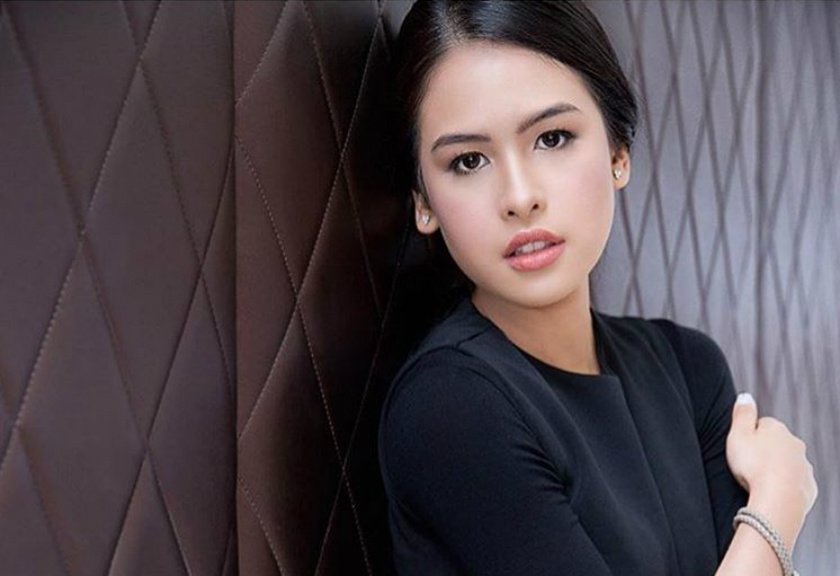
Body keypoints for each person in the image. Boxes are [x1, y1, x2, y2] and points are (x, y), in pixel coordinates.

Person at [377, 1, 818, 575]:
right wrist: (777, 505)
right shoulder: (450, 407)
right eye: (468, 161)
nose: (519, 197)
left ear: (618, 153)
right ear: (423, 203)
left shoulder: (689, 370)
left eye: (553, 138)